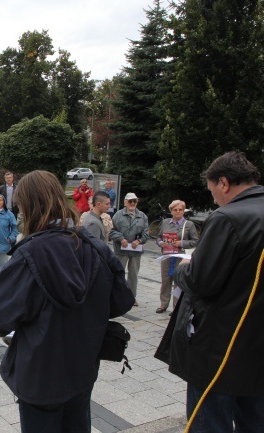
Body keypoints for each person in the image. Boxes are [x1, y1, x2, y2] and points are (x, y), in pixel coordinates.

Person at [0, 170, 134, 432]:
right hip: (83, 365)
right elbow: (122, 301)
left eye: (20, 207)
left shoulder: (29, 253)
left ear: (30, 207)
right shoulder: (94, 247)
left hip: (40, 371)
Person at [169, 152, 264, 431]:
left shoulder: (227, 217)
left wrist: (186, 265)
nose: (213, 200)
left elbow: (201, 281)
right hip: (256, 346)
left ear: (223, 182)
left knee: (209, 422)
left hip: (221, 347)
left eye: (212, 191)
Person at [155, 199, 198, 314]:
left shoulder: (189, 224)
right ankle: (163, 304)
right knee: (165, 281)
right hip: (167, 256)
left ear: (184, 211)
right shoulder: (165, 222)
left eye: (180, 210)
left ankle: (176, 307)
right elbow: (158, 237)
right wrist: (160, 243)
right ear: (171, 211)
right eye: (175, 210)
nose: (178, 212)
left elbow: (195, 241)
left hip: (181, 257)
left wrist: (182, 243)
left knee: (179, 283)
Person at [109, 192, 149, 306]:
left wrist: (139, 241)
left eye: (135, 201)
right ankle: (117, 296)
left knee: (133, 275)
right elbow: (112, 231)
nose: (132, 203)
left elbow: (146, 233)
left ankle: (131, 297)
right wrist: (121, 238)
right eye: (130, 201)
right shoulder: (118, 215)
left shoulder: (143, 216)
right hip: (121, 250)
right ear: (125, 202)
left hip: (136, 251)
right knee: (118, 273)